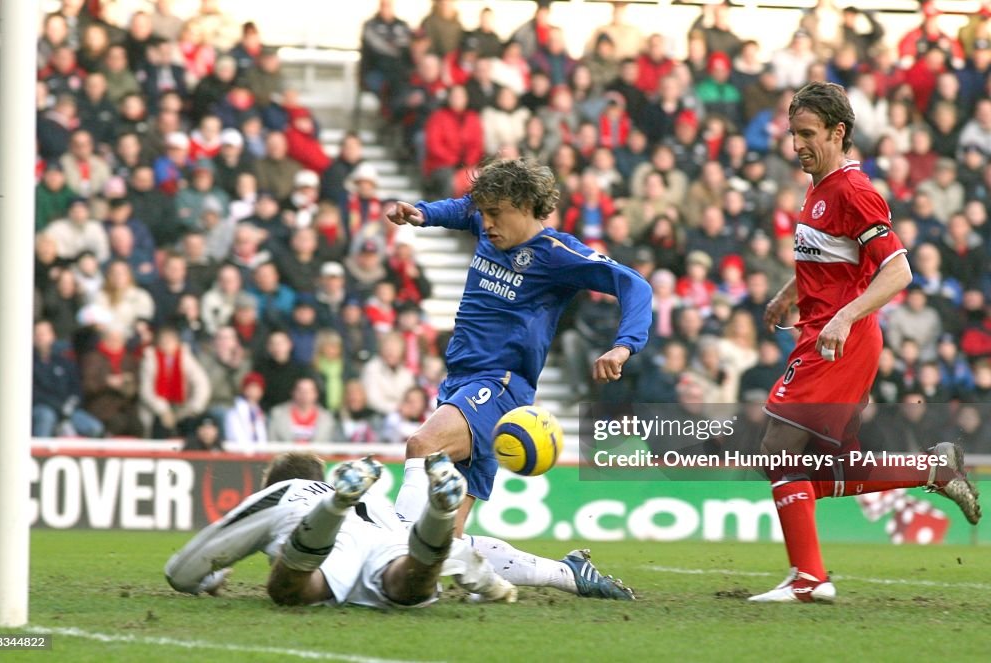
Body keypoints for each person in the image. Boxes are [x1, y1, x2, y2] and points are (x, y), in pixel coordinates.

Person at [748, 82, 981, 604]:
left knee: (778, 450)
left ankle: (809, 578)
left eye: (808, 135)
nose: (797, 145)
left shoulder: (854, 191)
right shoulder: (818, 187)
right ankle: (933, 469)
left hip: (839, 341)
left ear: (839, 132)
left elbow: (898, 272)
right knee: (822, 468)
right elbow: (830, 256)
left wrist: (843, 317)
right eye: (792, 134)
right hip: (825, 333)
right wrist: (789, 295)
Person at [384, 158, 653, 543]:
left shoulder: (557, 255)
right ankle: (567, 576)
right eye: (485, 213)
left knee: (422, 445)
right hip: (460, 380)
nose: (486, 222)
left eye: (495, 213)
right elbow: (464, 210)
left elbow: (635, 286)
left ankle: (389, 548)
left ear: (526, 206)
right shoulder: (488, 225)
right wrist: (423, 214)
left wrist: (623, 347)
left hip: (499, 384)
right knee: (445, 543)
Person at [165, 451, 634, 605]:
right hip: (388, 535)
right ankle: (438, 510)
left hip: (323, 532)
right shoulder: (377, 498)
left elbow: (184, 568)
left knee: (290, 590)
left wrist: (206, 578)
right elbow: (464, 552)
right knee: (409, 581)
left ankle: (329, 513)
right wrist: (497, 587)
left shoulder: (276, 496)